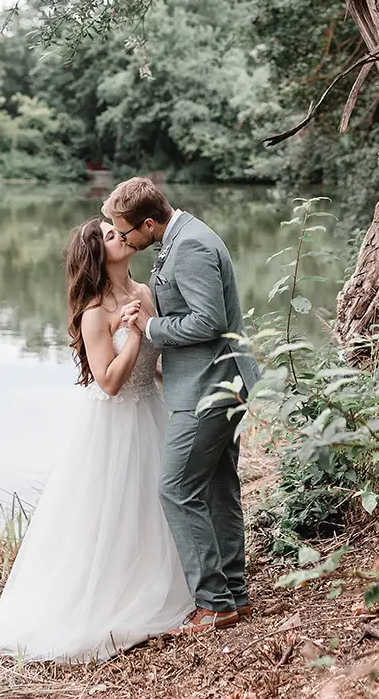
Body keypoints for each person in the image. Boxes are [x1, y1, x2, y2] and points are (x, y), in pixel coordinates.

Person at [0, 218, 194, 662]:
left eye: (118, 228)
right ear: (98, 253)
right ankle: (106, 594)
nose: (119, 233)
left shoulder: (145, 294)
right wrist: (135, 334)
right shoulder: (94, 312)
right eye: (108, 234)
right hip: (114, 424)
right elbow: (109, 382)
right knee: (109, 511)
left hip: (151, 414)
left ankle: (164, 583)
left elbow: (157, 368)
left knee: (154, 503)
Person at [106, 177, 262, 636]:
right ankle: (232, 595)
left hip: (208, 387)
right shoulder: (182, 234)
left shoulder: (191, 246)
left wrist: (152, 330)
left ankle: (214, 603)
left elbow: (209, 320)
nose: (126, 240)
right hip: (219, 382)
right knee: (217, 488)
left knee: (175, 488)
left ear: (149, 222)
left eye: (126, 232)